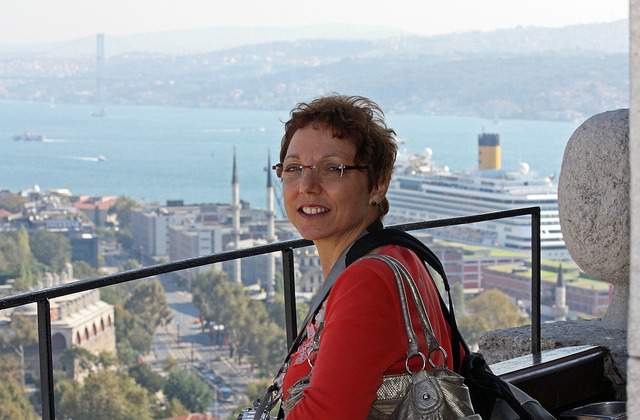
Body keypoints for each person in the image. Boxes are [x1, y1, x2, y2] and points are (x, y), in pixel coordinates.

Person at [274, 95, 463, 419]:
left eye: (332, 168)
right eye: (293, 168)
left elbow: (323, 415)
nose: (306, 185)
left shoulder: (368, 280)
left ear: (377, 184)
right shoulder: (400, 255)